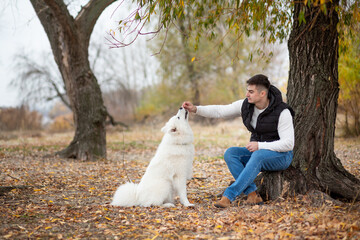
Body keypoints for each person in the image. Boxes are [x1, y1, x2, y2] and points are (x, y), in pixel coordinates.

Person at [182, 74, 295, 208]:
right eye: (247, 90)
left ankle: (229, 196)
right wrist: (196, 109)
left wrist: (260, 145)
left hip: (281, 156)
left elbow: (288, 144)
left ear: (262, 93)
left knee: (258, 155)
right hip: (258, 154)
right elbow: (220, 111)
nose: (247, 94)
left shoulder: (282, 112)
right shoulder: (246, 105)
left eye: (251, 92)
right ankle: (252, 194)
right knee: (231, 153)